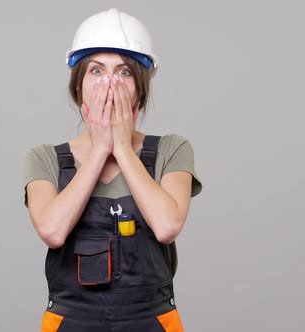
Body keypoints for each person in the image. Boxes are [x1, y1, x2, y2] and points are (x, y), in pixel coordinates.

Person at [23, 8, 202, 331]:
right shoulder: (44, 158)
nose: (109, 83)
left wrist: (121, 147)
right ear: (78, 87)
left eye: (123, 72)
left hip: (152, 320)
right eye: (96, 70)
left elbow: (166, 227)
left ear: (140, 88)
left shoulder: (172, 150)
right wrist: (100, 149)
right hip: (70, 321)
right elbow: (52, 231)